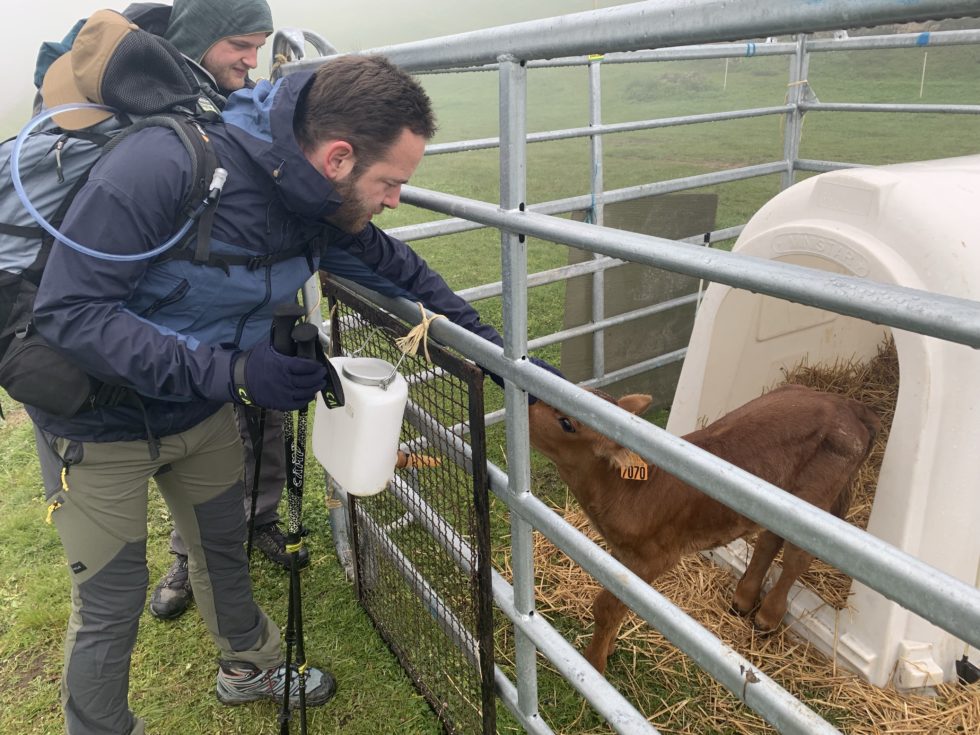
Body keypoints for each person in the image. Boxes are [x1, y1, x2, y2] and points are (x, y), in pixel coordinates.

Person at [31, 43, 522, 732]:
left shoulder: (318, 200)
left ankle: (248, 664)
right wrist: (234, 371)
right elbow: (68, 313)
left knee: (222, 548)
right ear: (339, 157)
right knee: (111, 601)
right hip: (96, 421)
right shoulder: (165, 166)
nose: (396, 199)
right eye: (391, 181)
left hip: (198, 410)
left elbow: (402, 273)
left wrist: (510, 363)